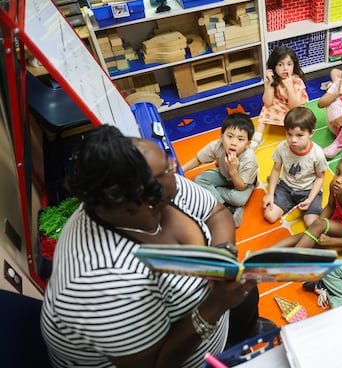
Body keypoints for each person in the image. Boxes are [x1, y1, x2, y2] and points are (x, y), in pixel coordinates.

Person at [40, 125, 259, 368]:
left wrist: (222, 252)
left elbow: (216, 213)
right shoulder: (99, 284)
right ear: (134, 204)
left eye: (169, 165)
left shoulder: (152, 181)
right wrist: (215, 305)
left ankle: (238, 342)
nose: (174, 170)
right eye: (168, 170)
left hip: (213, 320)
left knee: (247, 297)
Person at [273, 146, 342, 253]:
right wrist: (318, 224)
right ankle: (268, 252)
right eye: (338, 173)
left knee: (317, 228)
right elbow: (330, 206)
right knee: (313, 230)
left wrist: (331, 241)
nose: (338, 180)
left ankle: (291, 259)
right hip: (339, 219)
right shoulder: (335, 186)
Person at [181, 113, 258, 228]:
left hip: (242, 182)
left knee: (239, 199)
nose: (234, 142)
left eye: (240, 139)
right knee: (199, 179)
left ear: (247, 144)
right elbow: (198, 159)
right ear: (221, 137)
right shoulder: (217, 146)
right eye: (230, 136)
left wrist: (233, 171)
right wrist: (180, 170)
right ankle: (226, 207)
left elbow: (241, 187)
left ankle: (219, 196)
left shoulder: (249, 159)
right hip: (223, 174)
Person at [262, 107, 327, 227]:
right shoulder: (282, 147)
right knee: (269, 216)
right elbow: (276, 169)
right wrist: (270, 193)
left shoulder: (317, 153)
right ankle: (286, 201)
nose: (293, 140)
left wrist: (310, 199)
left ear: (311, 133)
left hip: (308, 191)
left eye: (299, 135)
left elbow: (320, 178)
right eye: (289, 134)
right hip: (286, 188)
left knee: (312, 224)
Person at [251, 45, 309, 150]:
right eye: (280, 65)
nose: (285, 68)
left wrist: (290, 87)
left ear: (294, 65)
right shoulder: (273, 79)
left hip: (296, 108)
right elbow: (268, 102)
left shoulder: (297, 81)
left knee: (299, 121)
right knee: (266, 109)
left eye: (289, 64)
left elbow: (295, 107)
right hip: (280, 105)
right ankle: (257, 137)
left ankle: (294, 137)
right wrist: (270, 83)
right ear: (274, 67)